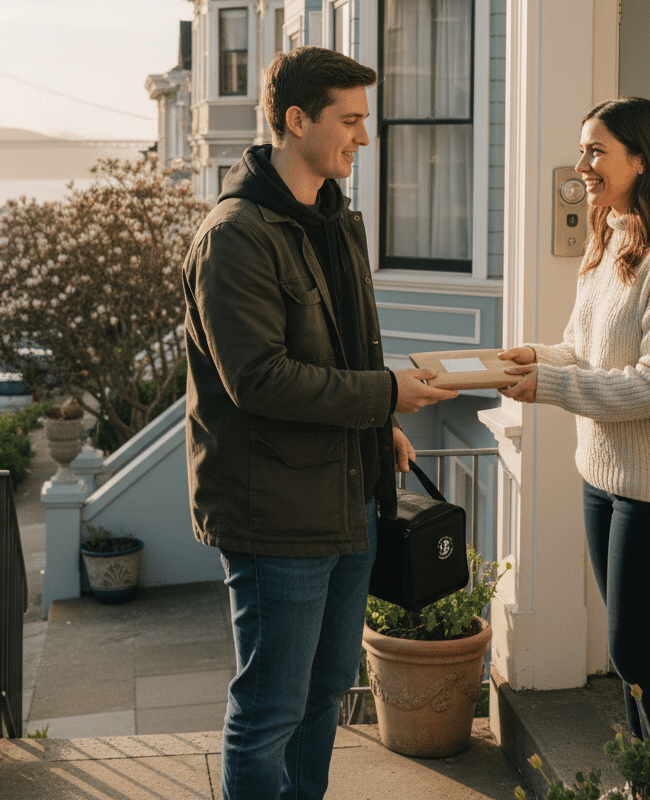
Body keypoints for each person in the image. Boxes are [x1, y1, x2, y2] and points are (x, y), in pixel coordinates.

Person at [182, 46, 459, 800]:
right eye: (350, 120)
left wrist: (381, 430)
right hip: (275, 516)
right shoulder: (236, 235)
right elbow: (259, 381)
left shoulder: (334, 223)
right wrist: (386, 397)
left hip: (347, 503)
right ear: (295, 120)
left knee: (325, 691)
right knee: (270, 706)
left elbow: (340, 351)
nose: (363, 138)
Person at [498, 96, 650, 738]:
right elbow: (580, 348)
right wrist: (529, 358)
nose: (582, 165)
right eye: (584, 149)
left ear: (641, 158)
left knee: (636, 650)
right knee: (623, 647)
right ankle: (646, 771)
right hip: (599, 479)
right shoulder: (611, 237)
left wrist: (549, 382)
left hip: (648, 492)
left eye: (596, 150)